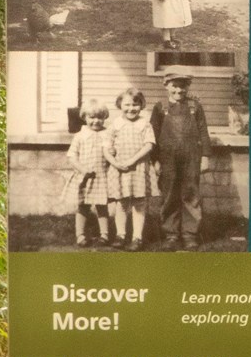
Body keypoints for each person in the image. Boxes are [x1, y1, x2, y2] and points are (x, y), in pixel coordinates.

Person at [151, 70, 209, 249]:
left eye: (183, 86)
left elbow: (203, 132)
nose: (178, 90)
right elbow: (152, 134)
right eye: (174, 85)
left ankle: (190, 234)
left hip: (191, 158)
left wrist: (205, 156)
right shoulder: (160, 107)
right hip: (167, 158)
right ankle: (171, 234)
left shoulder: (195, 106)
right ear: (166, 85)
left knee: (190, 194)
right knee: (169, 195)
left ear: (188, 87)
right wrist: (155, 160)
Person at [106, 87, 157, 251]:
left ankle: (137, 237)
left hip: (139, 168)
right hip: (120, 169)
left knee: (139, 203)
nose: (131, 108)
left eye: (135, 104)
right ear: (120, 105)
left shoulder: (145, 124)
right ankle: (121, 235)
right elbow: (106, 148)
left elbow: (149, 145)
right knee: (121, 203)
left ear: (141, 105)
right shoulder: (115, 124)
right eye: (127, 104)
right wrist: (114, 162)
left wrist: (132, 160)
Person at [63, 101, 113, 248]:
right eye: (92, 117)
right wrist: (82, 169)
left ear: (104, 118)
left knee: (102, 206)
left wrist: (113, 152)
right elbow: (71, 156)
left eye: (99, 117)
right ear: (84, 117)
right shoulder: (80, 135)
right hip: (84, 177)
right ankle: (80, 235)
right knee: (83, 206)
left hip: (102, 176)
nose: (96, 121)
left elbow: (111, 152)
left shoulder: (107, 134)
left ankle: (104, 234)